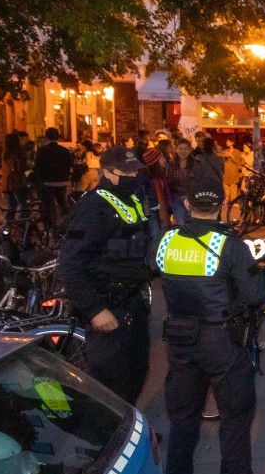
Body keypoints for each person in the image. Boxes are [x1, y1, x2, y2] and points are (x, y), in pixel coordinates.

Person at [153, 176, 265, 474]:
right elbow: (256, 296)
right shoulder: (230, 246)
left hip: (179, 339)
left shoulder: (166, 242)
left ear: (188, 205)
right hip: (221, 342)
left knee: (182, 421)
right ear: (221, 205)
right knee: (235, 417)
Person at [57, 146, 154, 405]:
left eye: (137, 171)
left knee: (137, 371)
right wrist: (94, 309)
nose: (133, 177)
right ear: (107, 173)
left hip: (133, 302)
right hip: (107, 306)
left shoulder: (132, 200)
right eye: (127, 172)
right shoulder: (92, 207)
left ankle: (127, 429)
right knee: (110, 382)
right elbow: (70, 264)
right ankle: (108, 438)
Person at [32, 127, 74, 227]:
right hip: (62, 182)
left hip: (47, 182)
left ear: (47, 137)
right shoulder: (64, 151)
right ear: (58, 137)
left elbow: (37, 167)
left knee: (48, 205)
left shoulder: (43, 151)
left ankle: (49, 226)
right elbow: (70, 165)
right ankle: (66, 223)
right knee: (62, 203)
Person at [0, 131, 30, 218]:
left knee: (11, 206)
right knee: (23, 206)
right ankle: (23, 225)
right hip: (17, 182)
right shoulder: (18, 154)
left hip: (8, 183)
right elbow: (20, 168)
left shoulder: (5, 154)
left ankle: (9, 225)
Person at [168, 139, 195, 226]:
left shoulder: (195, 163)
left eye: (185, 148)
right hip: (177, 199)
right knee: (181, 224)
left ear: (190, 150)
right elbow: (168, 181)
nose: (182, 151)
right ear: (176, 149)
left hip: (192, 198)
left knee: (192, 224)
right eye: (180, 148)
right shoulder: (171, 164)